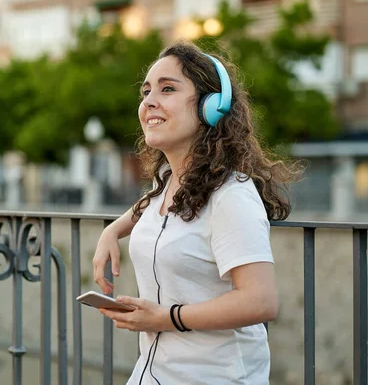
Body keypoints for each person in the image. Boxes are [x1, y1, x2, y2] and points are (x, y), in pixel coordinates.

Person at [91, 41, 302, 384]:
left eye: (168, 89)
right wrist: (111, 231)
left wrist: (165, 318)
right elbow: (148, 207)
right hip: (152, 374)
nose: (149, 102)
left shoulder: (232, 195)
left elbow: (260, 301)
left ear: (211, 106)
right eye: (146, 93)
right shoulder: (167, 180)